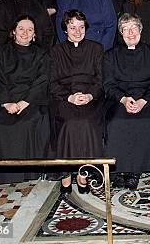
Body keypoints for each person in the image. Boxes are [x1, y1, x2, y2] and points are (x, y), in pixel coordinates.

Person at [0, 15, 50, 184]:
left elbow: (42, 80)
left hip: (31, 100)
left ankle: (29, 173)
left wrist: (24, 102)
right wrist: (6, 103)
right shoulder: (0, 53)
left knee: (31, 121)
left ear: (35, 35)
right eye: (21, 29)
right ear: (13, 32)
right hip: (4, 99)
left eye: (30, 30)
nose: (25, 33)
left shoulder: (42, 55)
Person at [103, 14, 150, 190]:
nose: (130, 33)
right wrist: (123, 99)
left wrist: (143, 101)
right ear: (120, 33)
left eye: (134, 28)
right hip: (119, 99)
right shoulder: (110, 55)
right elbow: (108, 84)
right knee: (117, 123)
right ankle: (120, 170)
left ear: (141, 30)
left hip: (147, 99)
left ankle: (136, 170)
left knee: (148, 122)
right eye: (126, 29)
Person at [50, 10, 105, 194]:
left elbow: (100, 80)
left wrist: (90, 95)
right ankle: (66, 172)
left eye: (81, 27)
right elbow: (52, 82)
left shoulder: (96, 48)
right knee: (71, 122)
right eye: (72, 27)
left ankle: (84, 172)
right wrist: (69, 97)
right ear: (65, 29)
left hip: (91, 97)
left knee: (87, 122)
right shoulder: (56, 51)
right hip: (65, 97)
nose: (77, 31)